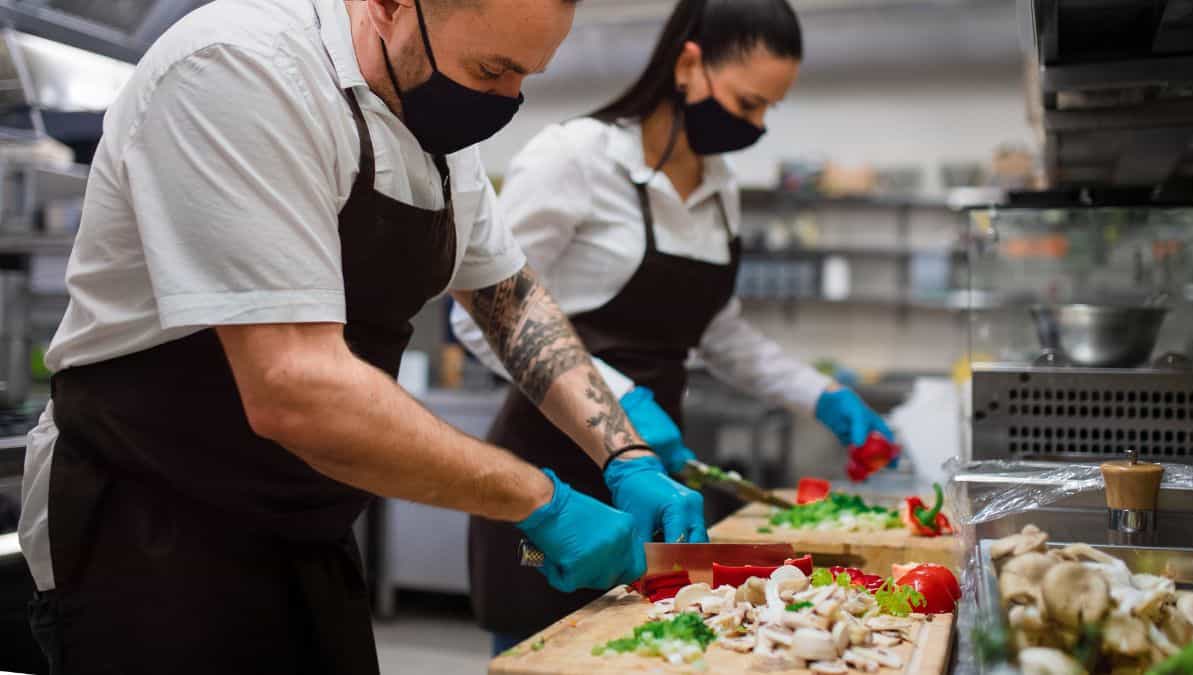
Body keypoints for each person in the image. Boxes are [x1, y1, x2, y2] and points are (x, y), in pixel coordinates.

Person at [18, 0, 708, 672]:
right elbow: (294, 386)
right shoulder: (240, 68)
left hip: (304, 522)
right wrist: (540, 499)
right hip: (147, 531)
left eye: (526, 75)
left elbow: (510, 300)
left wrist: (625, 453)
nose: (508, 97)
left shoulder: (436, 129)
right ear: (389, 5)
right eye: (492, 68)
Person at [453, 0, 896, 652]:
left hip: (653, 478)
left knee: (656, 651)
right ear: (689, 65)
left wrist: (822, 395)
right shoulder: (576, 157)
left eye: (768, 110)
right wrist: (619, 398)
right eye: (748, 104)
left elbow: (719, 333)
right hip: (555, 477)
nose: (757, 125)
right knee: (544, 656)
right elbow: (481, 321)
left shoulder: (721, 188)